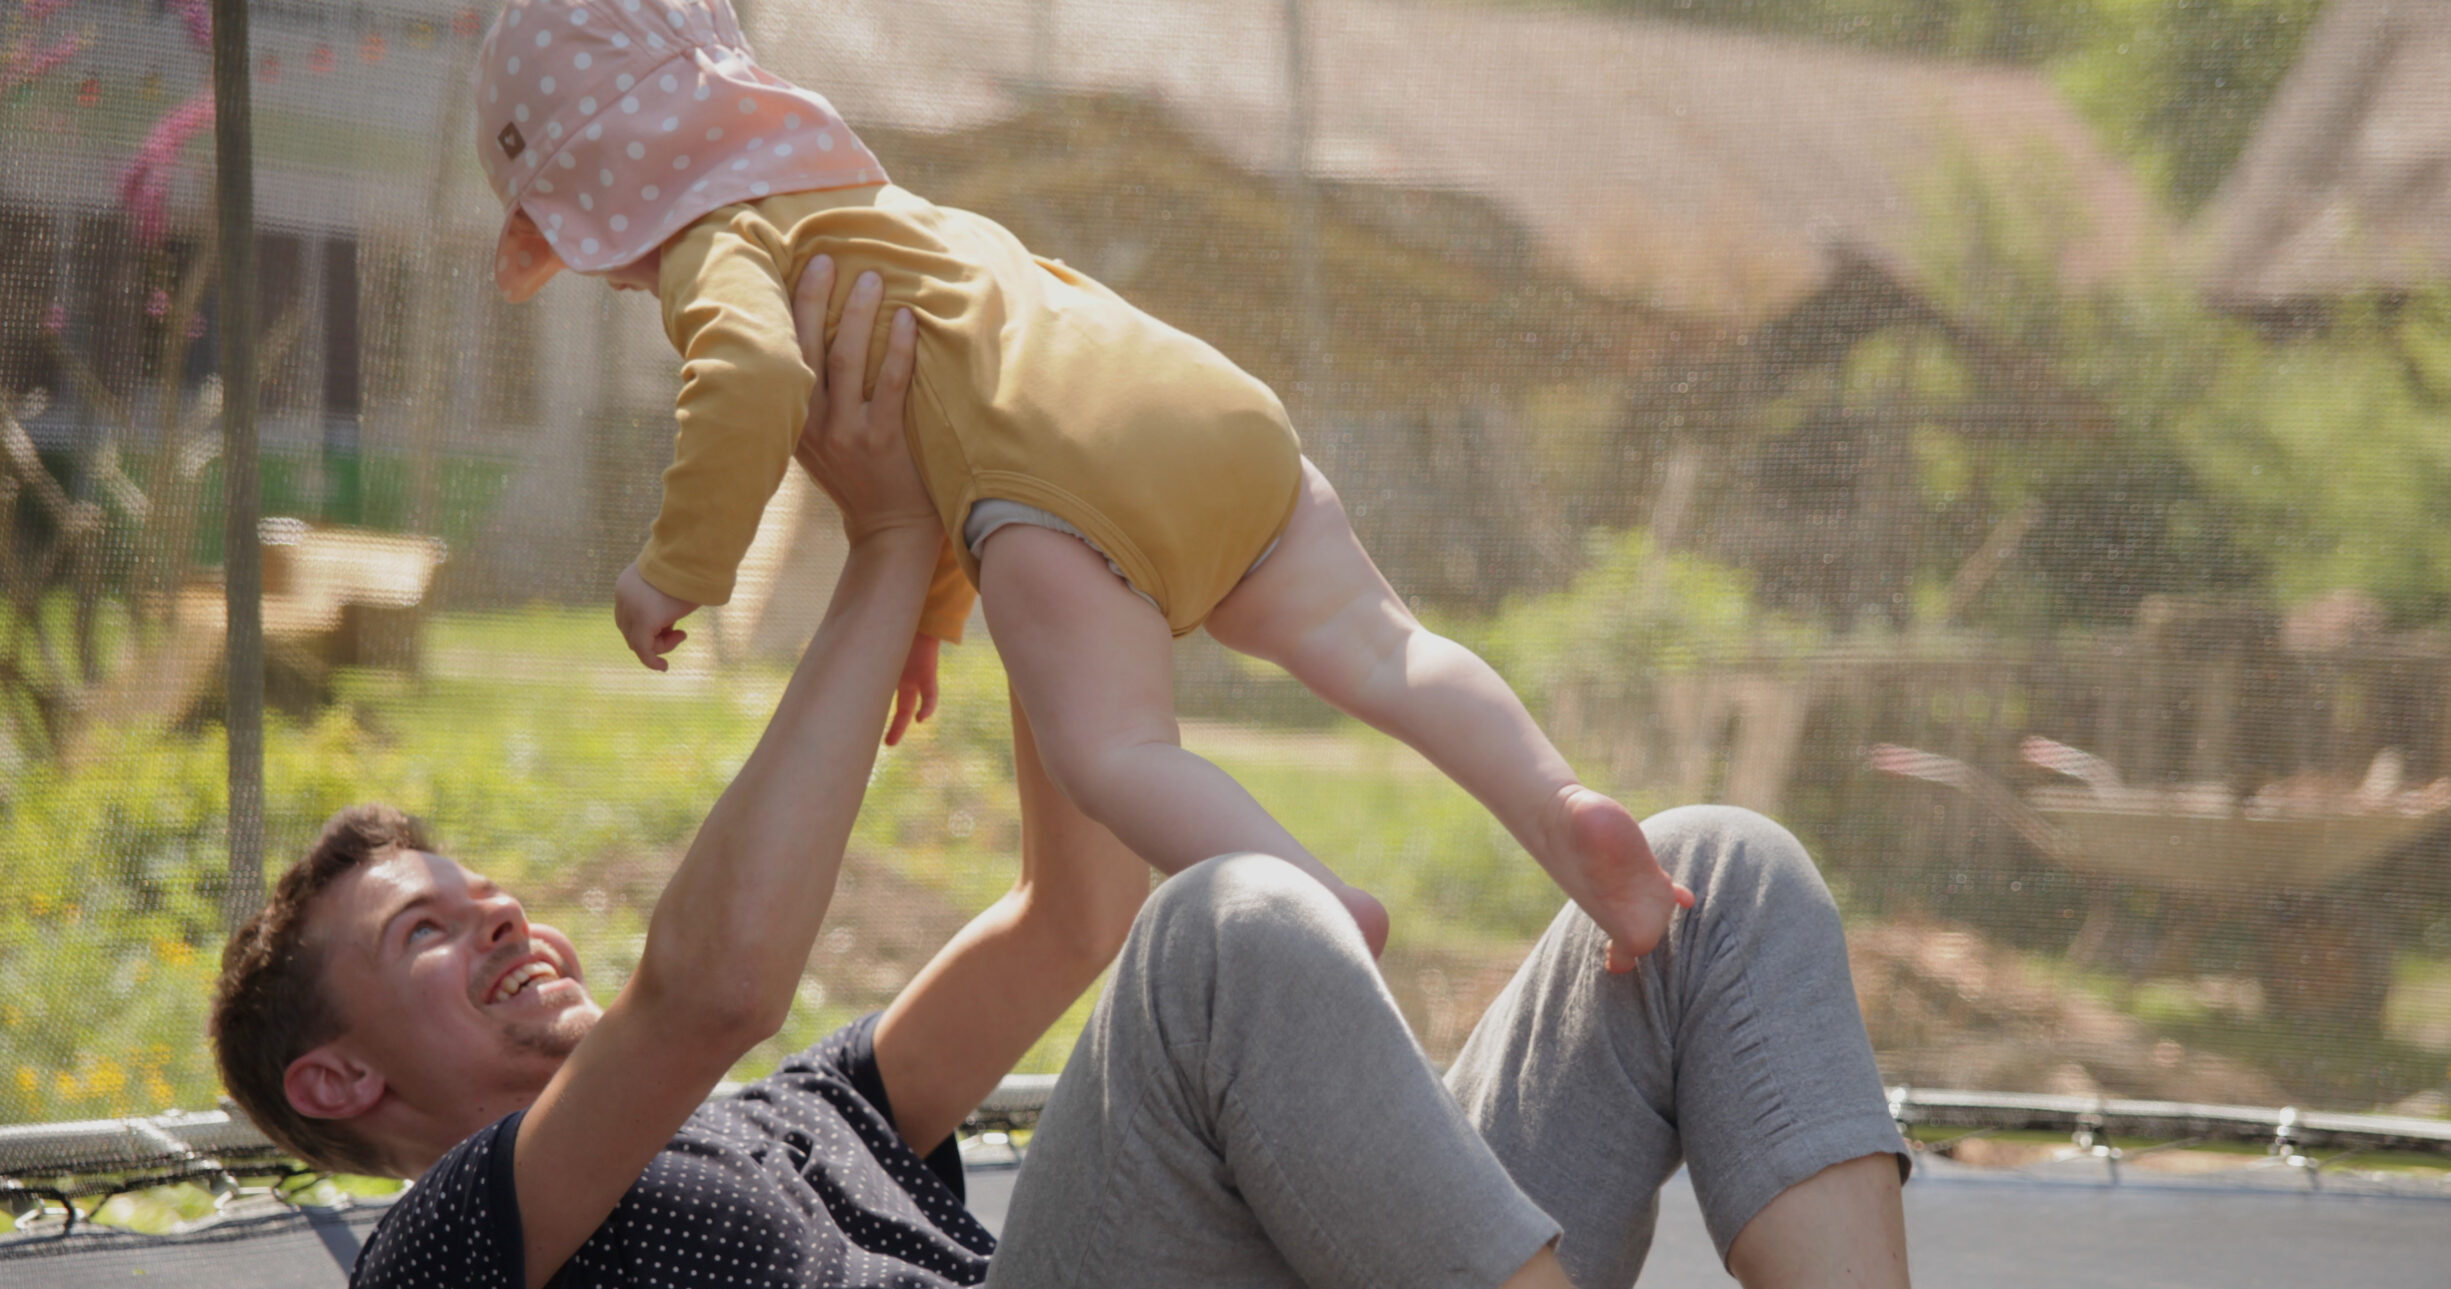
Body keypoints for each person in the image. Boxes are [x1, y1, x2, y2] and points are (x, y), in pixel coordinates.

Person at [208, 267, 2312, 1289]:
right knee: (1241, 929)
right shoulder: (450, 1268)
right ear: (335, 1071)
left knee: (1710, 882)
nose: (496, 917)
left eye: (482, 887)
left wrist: (1003, 500)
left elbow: (1065, 916)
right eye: (426, 930)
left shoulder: (804, 1126)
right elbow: (707, 985)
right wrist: (868, 556)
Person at [465, 0, 1688, 969]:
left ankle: (1317, 914)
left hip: (1061, 494)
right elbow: (942, 404)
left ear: (606, 184)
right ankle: (1566, 812)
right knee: (1387, 648)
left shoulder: (716, 242)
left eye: (580, 241)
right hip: (1209, 408)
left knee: (1114, 755)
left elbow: (751, 379)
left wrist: (674, 568)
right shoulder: (877, 206)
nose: (605, 274)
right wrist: (936, 617)